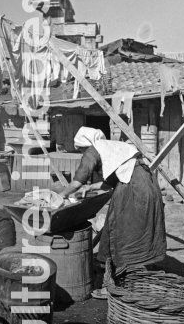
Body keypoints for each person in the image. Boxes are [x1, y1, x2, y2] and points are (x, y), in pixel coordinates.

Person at [60, 127, 166, 298]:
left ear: (85, 144)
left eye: (80, 149)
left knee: (123, 235)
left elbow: (78, 180)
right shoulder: (111, 147)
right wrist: (91, 186)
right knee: (136, 231)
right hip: (148, 186)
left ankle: (117, 287)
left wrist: (59, 196)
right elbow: (113, 180)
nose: (80, 152)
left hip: (133, 191)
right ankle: (135, 279)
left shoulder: (93, 150)